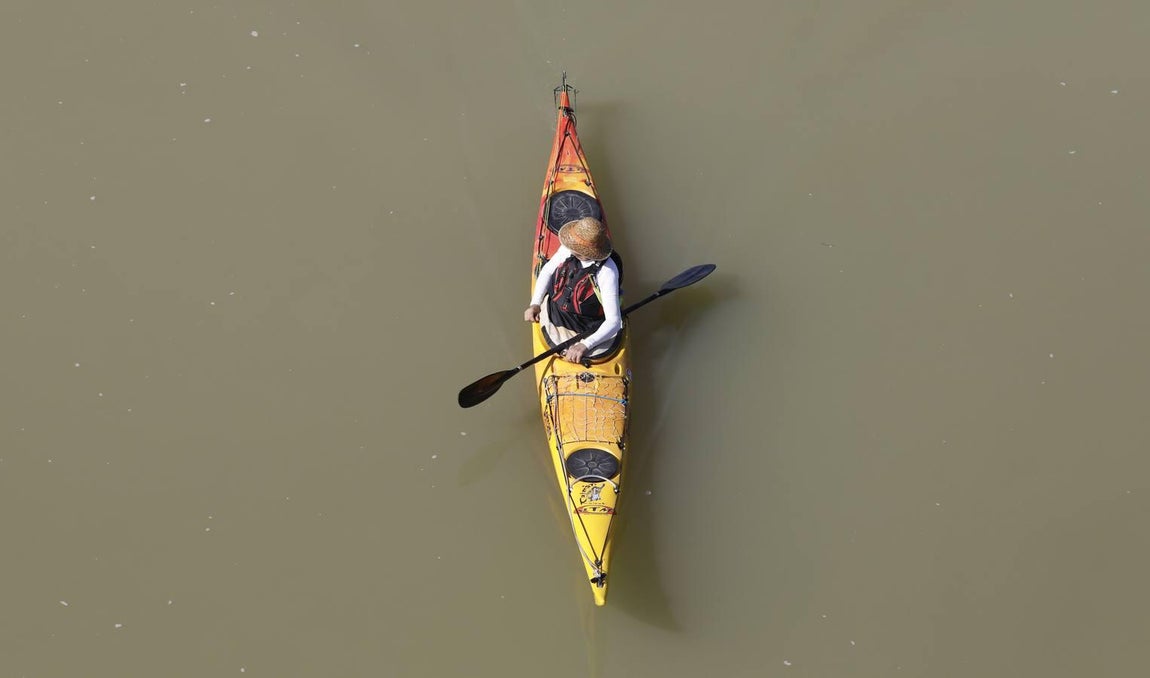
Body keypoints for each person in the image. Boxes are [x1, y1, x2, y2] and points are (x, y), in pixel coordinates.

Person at [524, 217, 622, 363]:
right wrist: (536, 303)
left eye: (575, 246)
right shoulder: (567, 249)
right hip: (555, 311)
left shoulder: (607, 272)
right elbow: (547, 271)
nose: (569, 246)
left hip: (586, 325)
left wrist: (585, 345)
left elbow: (614, 322)